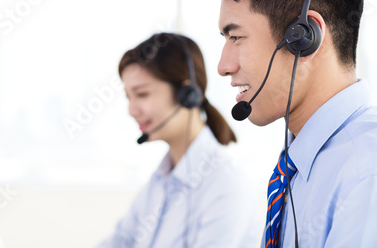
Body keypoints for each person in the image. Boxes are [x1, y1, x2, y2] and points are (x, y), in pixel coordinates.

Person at [203, 0, 377, 248]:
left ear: (304, 38)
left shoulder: (370, 173)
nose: (223, 66)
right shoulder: (298, 162)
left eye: (236, 37)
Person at [96, 32, 262, 248]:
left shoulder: (225, 186)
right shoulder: (159, 181)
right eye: (129, 97)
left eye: (142, 94)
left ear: (186, 93)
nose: (131, 110)